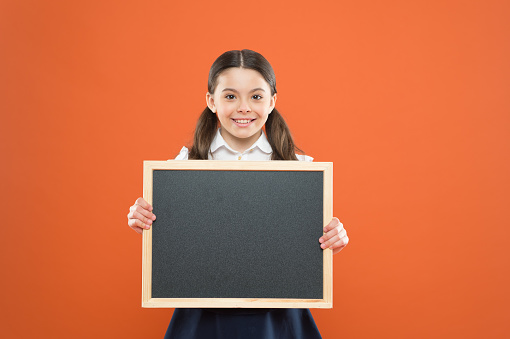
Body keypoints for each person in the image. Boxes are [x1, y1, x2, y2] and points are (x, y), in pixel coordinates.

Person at [127, 49, 349, 338]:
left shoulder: (301, 171)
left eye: (256, 96)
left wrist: (334, 236)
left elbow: (306, 248)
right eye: (230, 96)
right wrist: (144, 219)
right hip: (202, 316)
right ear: (211, 101)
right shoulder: (182, 169)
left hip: (279, 319)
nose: (244, 107)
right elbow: (173, 243)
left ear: (272, 102)